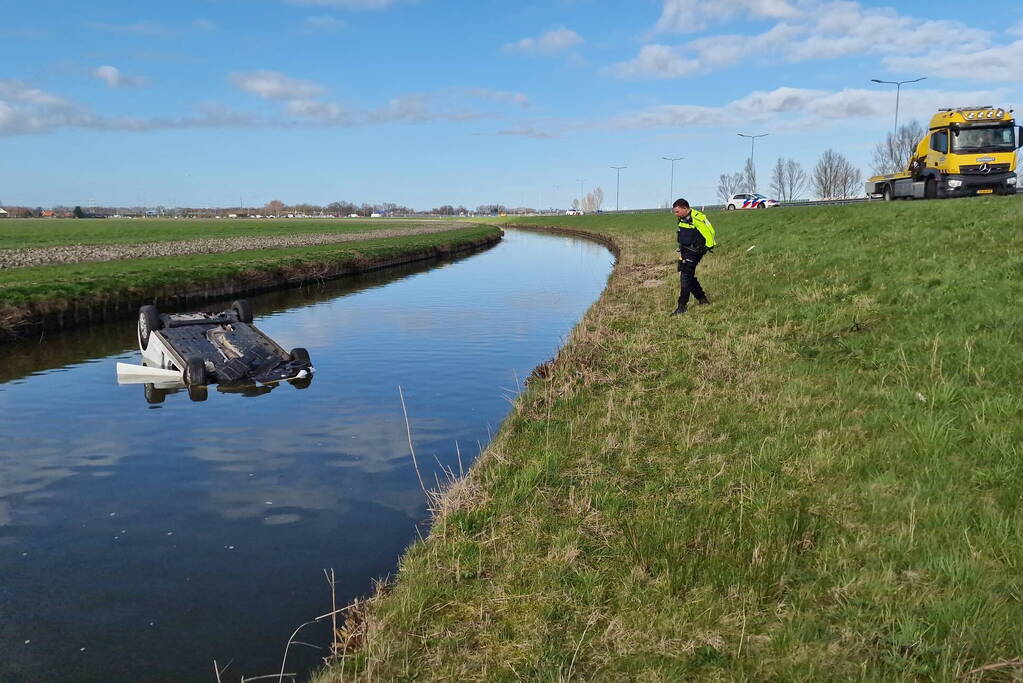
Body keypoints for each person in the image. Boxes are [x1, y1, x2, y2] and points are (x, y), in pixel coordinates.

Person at [671, 198, 715, 316]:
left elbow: (709, 232)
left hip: (695, 250)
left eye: (677, 211)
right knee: (687, 275)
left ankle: (682, 306)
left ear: (685, 208)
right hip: (685, 250)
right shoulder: (681, 218)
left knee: (685, 276)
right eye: (675, 212)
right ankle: (702, 299)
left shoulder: (697, 217)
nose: (676, 214)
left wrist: (708, 246)